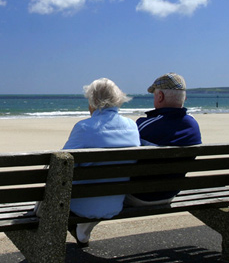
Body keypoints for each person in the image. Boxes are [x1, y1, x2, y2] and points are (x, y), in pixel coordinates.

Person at [62, 78, 140, 247]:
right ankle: (82, 232)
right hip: (114, 202)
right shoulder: (132, 126)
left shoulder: (84, 128)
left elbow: (61, 167)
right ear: (118, 98)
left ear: (93, 100)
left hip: (81, 205)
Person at [125, 72, 202, 206]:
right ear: (184, 97)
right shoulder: (193, 126)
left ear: (160, 96)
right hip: (170, 194)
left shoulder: (146, 125)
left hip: (138, 196)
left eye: (154, 95)